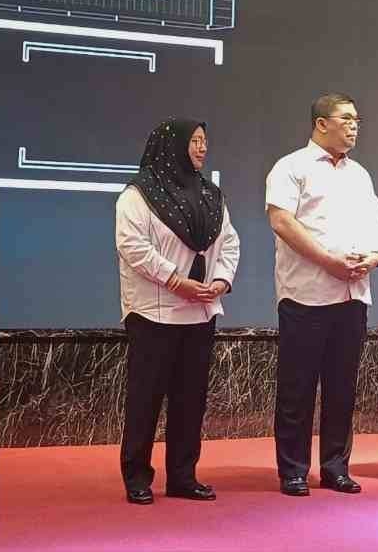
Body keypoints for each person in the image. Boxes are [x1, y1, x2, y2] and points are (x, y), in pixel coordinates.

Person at [266, 93, 378, 496]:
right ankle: (294, 469)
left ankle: (336, 466)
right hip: (306, 294)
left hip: (352, 295)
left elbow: (377, 222)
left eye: (357, 119)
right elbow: (281, 220)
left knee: (342, 388)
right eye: (347, 118)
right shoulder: (291, 167)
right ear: (321, 123)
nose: (355, 126)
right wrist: (327, 260)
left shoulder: (360, 174)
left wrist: (373, 255)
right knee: (297, 388)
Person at [116, 118, 240, 505]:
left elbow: (230, 242)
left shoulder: (211, 194)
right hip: (154, 312)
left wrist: (220, 280)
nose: (203, 148)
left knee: (191, 400)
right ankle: (137, 476)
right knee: (146, 398)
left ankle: (183, 476)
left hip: (200, 312)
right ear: (173, 147)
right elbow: (132, 246)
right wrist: (174, 280)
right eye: (195, 141)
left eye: (205, 141)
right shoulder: (138, 194)